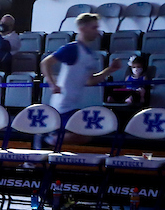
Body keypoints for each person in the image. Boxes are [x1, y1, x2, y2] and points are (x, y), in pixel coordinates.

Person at [40, 12, 124, 144]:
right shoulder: (72, 49)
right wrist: (52, 84)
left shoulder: (89, 54)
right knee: (83, 135)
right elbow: (46, 63)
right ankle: (45, 142)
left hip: (72, 104)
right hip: (62, 104)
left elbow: (90, 81)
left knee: (85, 135)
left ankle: (47, 143)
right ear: (82, 28)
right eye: (94, 28)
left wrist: (110, 70)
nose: (97, 32)